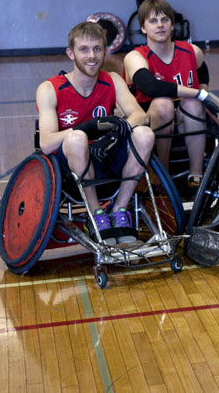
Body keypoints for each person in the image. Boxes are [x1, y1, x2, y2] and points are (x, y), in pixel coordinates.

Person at [36, 22, 155, 245]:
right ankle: (95, 215)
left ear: (106, 51)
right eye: (84, 49)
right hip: (70, 169)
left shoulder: (112, 80)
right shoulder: (50, 88)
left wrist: (118, 132)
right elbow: (46, 143)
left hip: (106, 157)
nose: (92, 56)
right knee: (76, 138)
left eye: (97, 49)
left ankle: (119, 209)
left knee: (145, 134)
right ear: (70, 53)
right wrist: (87, 128)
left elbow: (141, 116)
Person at [123, 0, 219, 195]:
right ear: (143, 28)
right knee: (163, 103)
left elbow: (202, 71)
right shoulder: (135, 56)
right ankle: (162, 173)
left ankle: (196, 174)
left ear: (172, 24)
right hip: (150, 115)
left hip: (186, 114)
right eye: (152, 21)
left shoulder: (192, 51)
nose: (159, 25)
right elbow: (151, 87)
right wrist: (198, 93)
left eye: (164, 20)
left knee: (193, 103)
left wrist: (201, 89)